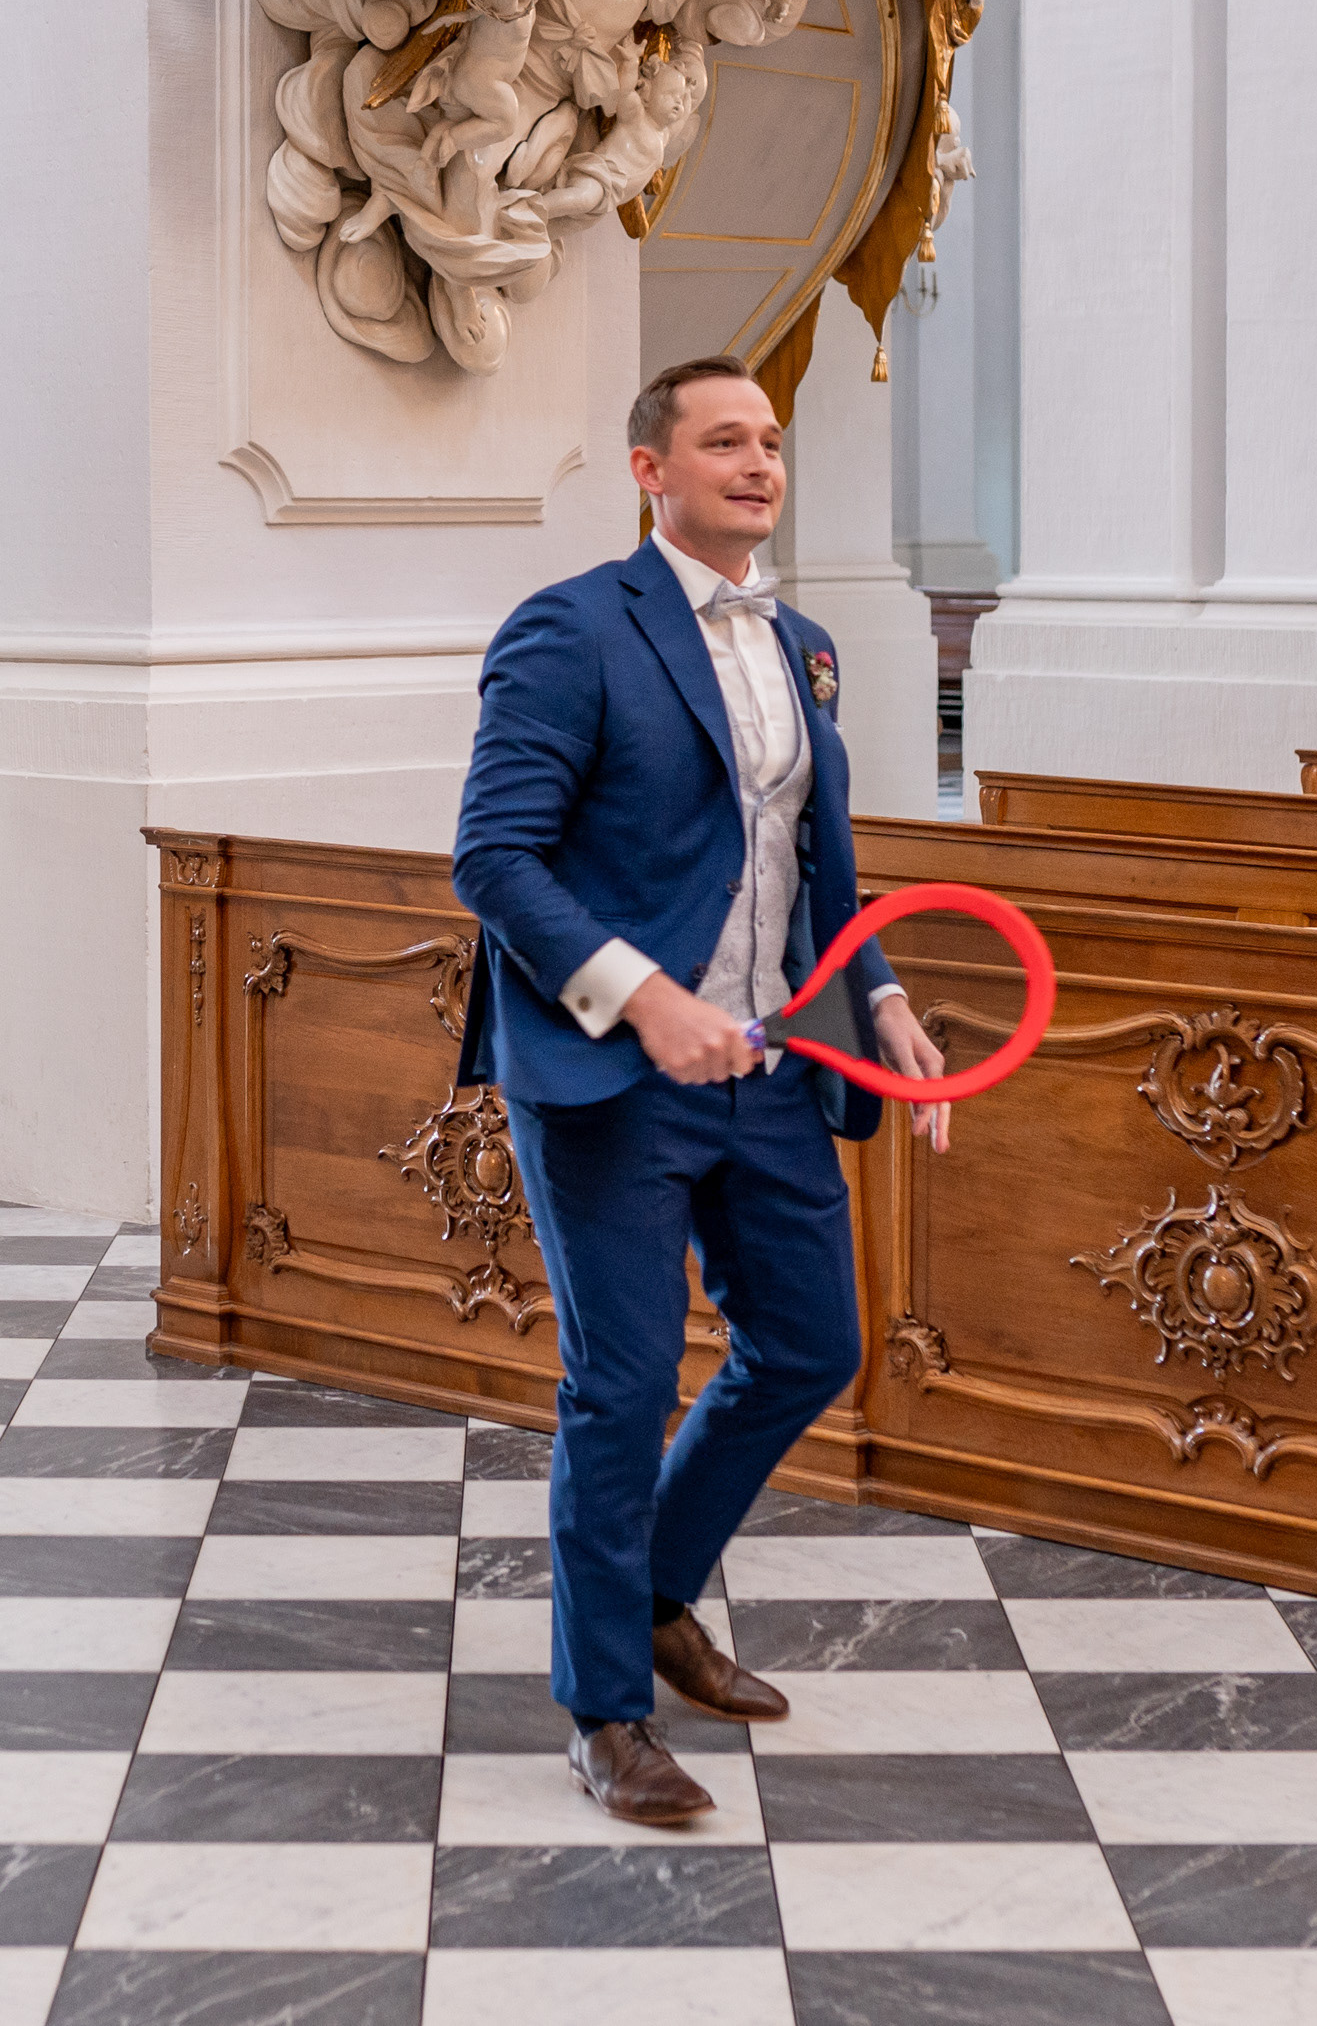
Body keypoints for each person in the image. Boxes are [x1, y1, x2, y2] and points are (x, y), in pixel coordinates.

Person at [453, 355, 949, 1825]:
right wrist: (646, 1000)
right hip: (613, 1073)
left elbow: (818, 863)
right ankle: (606, 1709)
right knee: (619, 1386)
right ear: (650, 470)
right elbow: (494, 858)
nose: (758, 462)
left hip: (776, 1062)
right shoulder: (571, 629)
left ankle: (657, 1596)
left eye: (770, 441)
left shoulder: (805, 644)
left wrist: (883, 1001)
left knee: (810, 1344)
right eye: (724, 440)